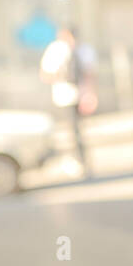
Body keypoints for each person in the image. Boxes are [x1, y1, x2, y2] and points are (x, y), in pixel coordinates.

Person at [40, 27, 97, 176]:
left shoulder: (83, 50)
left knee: (79, 131)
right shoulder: (56, 50)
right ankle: (73, 160)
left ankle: (82, 161)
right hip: (64, 96)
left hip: (81, 95)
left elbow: (89, 74)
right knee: (70, 130)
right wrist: (60, 75)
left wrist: (90, 94)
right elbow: (45, 74)